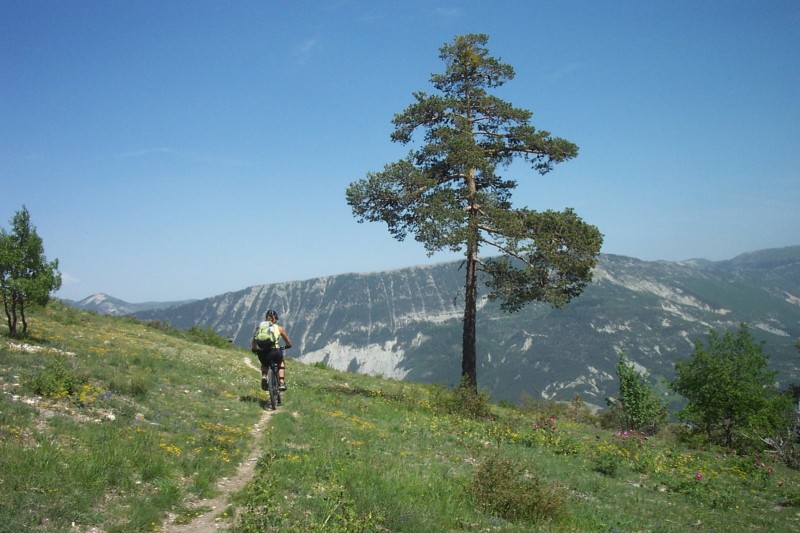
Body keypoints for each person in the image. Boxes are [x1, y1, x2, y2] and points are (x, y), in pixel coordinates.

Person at [252, 309, 292, 391]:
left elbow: (254, 340)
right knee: (281, 363)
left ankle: (264, 375)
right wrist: (288, 345)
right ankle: (281, 382)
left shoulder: (259, 327)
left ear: (266, 318)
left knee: (264, 364)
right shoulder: (279, 328)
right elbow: (287, 341)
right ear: (276, 319)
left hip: (262, 352)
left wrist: (254, 349)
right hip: (275, 351)